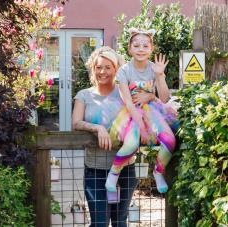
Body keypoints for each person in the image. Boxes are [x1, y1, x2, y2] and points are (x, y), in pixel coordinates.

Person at [72, 46, 155, 227]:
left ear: (116, 69)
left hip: (125, 169)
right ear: (93, 69)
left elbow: (153, 102)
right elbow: (76, 123)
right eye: (98, 67)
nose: (103, 72)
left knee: (119, 221)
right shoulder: (84, 95)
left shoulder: (126, 93)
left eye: (108, 67)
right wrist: (98, 128)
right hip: (96, 169)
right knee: (99, 223)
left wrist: (149, 96)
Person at [105, 28, 177, 195]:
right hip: (131, 113)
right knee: (130, 144)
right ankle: (114, 172)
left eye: (145, 46)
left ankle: (158, 171)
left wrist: (159, 76)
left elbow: (164, 98)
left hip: (153, 111)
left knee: (170, 141)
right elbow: (128, 102)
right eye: (136, 45)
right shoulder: (124, 71)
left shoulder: (154, 68)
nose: (141, 49)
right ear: (130, 49)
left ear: (151, 49)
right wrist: (142, 126)